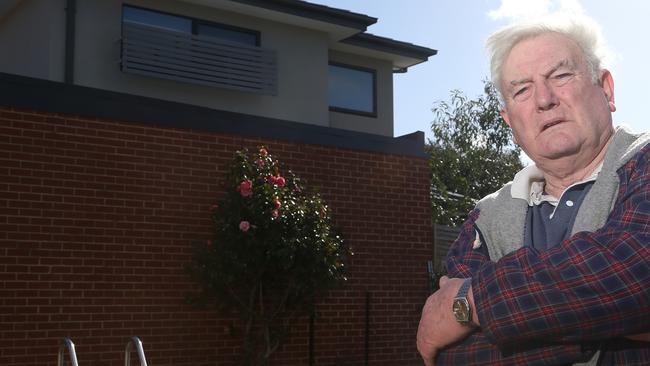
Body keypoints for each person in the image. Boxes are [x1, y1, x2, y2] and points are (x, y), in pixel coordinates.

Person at [416, 14, 650, 366]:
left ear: (606, 90)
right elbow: (454, 354)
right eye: (521, 89)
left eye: (560, 75)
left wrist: (472, 301)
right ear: (510, 123)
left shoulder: (643, 162)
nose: (544, 99)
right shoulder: (486, 217)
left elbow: (637, 271)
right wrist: (613, 327)